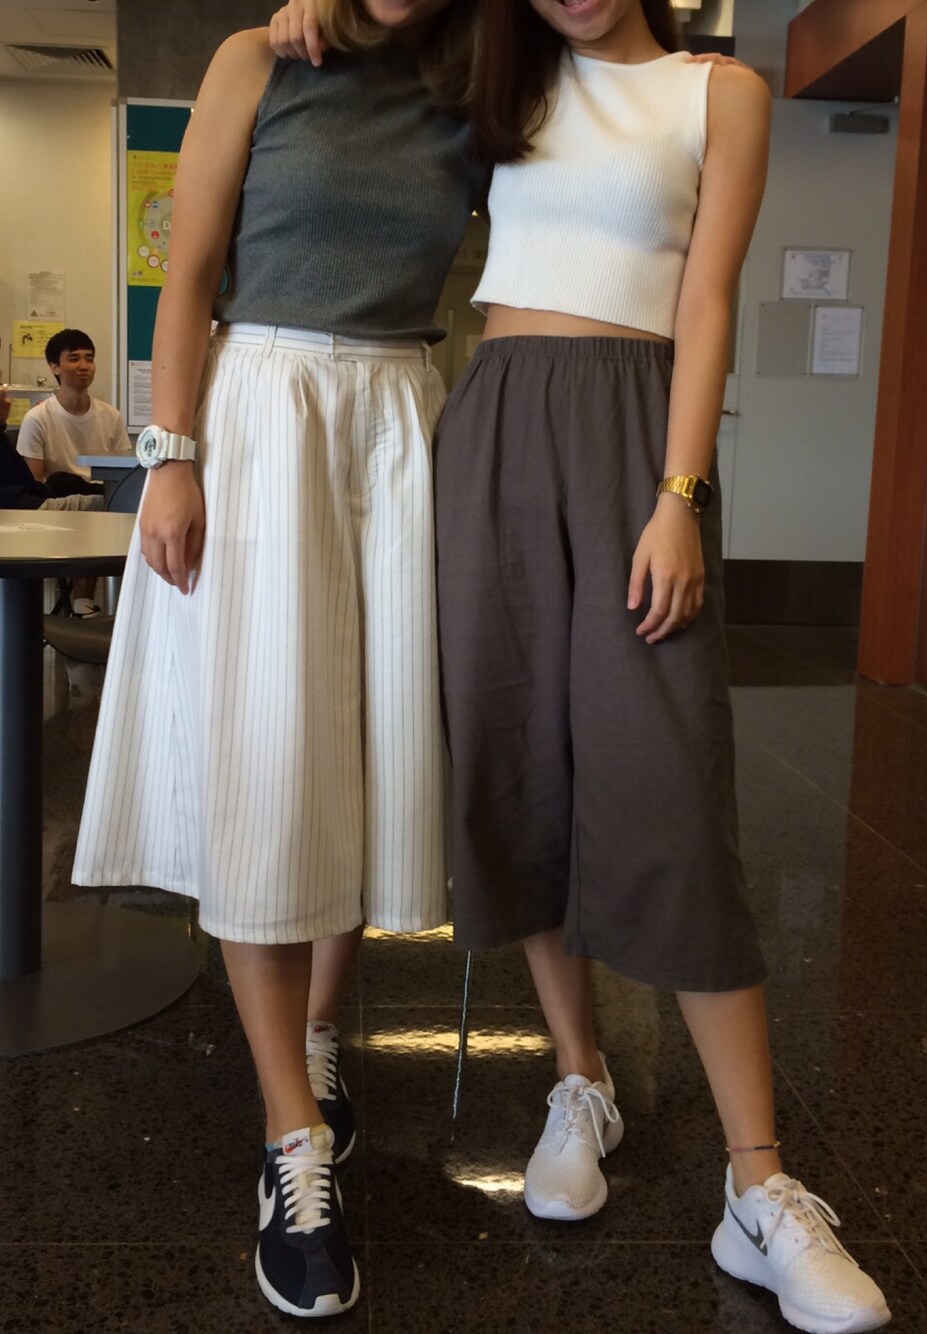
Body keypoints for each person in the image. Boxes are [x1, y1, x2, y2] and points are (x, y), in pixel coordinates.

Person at [430, 3, 890, 1333]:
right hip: (497, 424)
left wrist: (679, 492)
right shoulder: (498, 75)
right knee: (514, 759)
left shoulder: (717, 91)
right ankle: (581, 1078)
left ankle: (758, 1183)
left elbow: (706, 295)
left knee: (671, 787)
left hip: (639, 430)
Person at [72, 0, 483, 1318]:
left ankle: (311, 1038)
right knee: (267, 756)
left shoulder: (475, 79)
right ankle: (289, 1133)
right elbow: (189, 275)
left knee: (359, 753)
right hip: (264, 409)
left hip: (403, 415)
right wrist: (170, 456)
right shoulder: (259, 57)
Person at [17, 330, 130, 612]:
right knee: (67, 486)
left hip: (99, 502)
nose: (84, 366)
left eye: (89, 359)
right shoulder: (37, 418)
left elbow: (122, 472)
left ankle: (85, 603)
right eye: (74, 358)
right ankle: (80, 602)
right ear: (54, 367)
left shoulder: (111, 416)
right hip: (59, 503)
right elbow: (33, 483)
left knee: (108, 501)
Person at [1, 390, 104, 512]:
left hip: (34, 498)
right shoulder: (36, 417)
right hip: (27, 510)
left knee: (61, 481)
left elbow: (31, 486)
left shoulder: (109, 414)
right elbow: (24, 504)